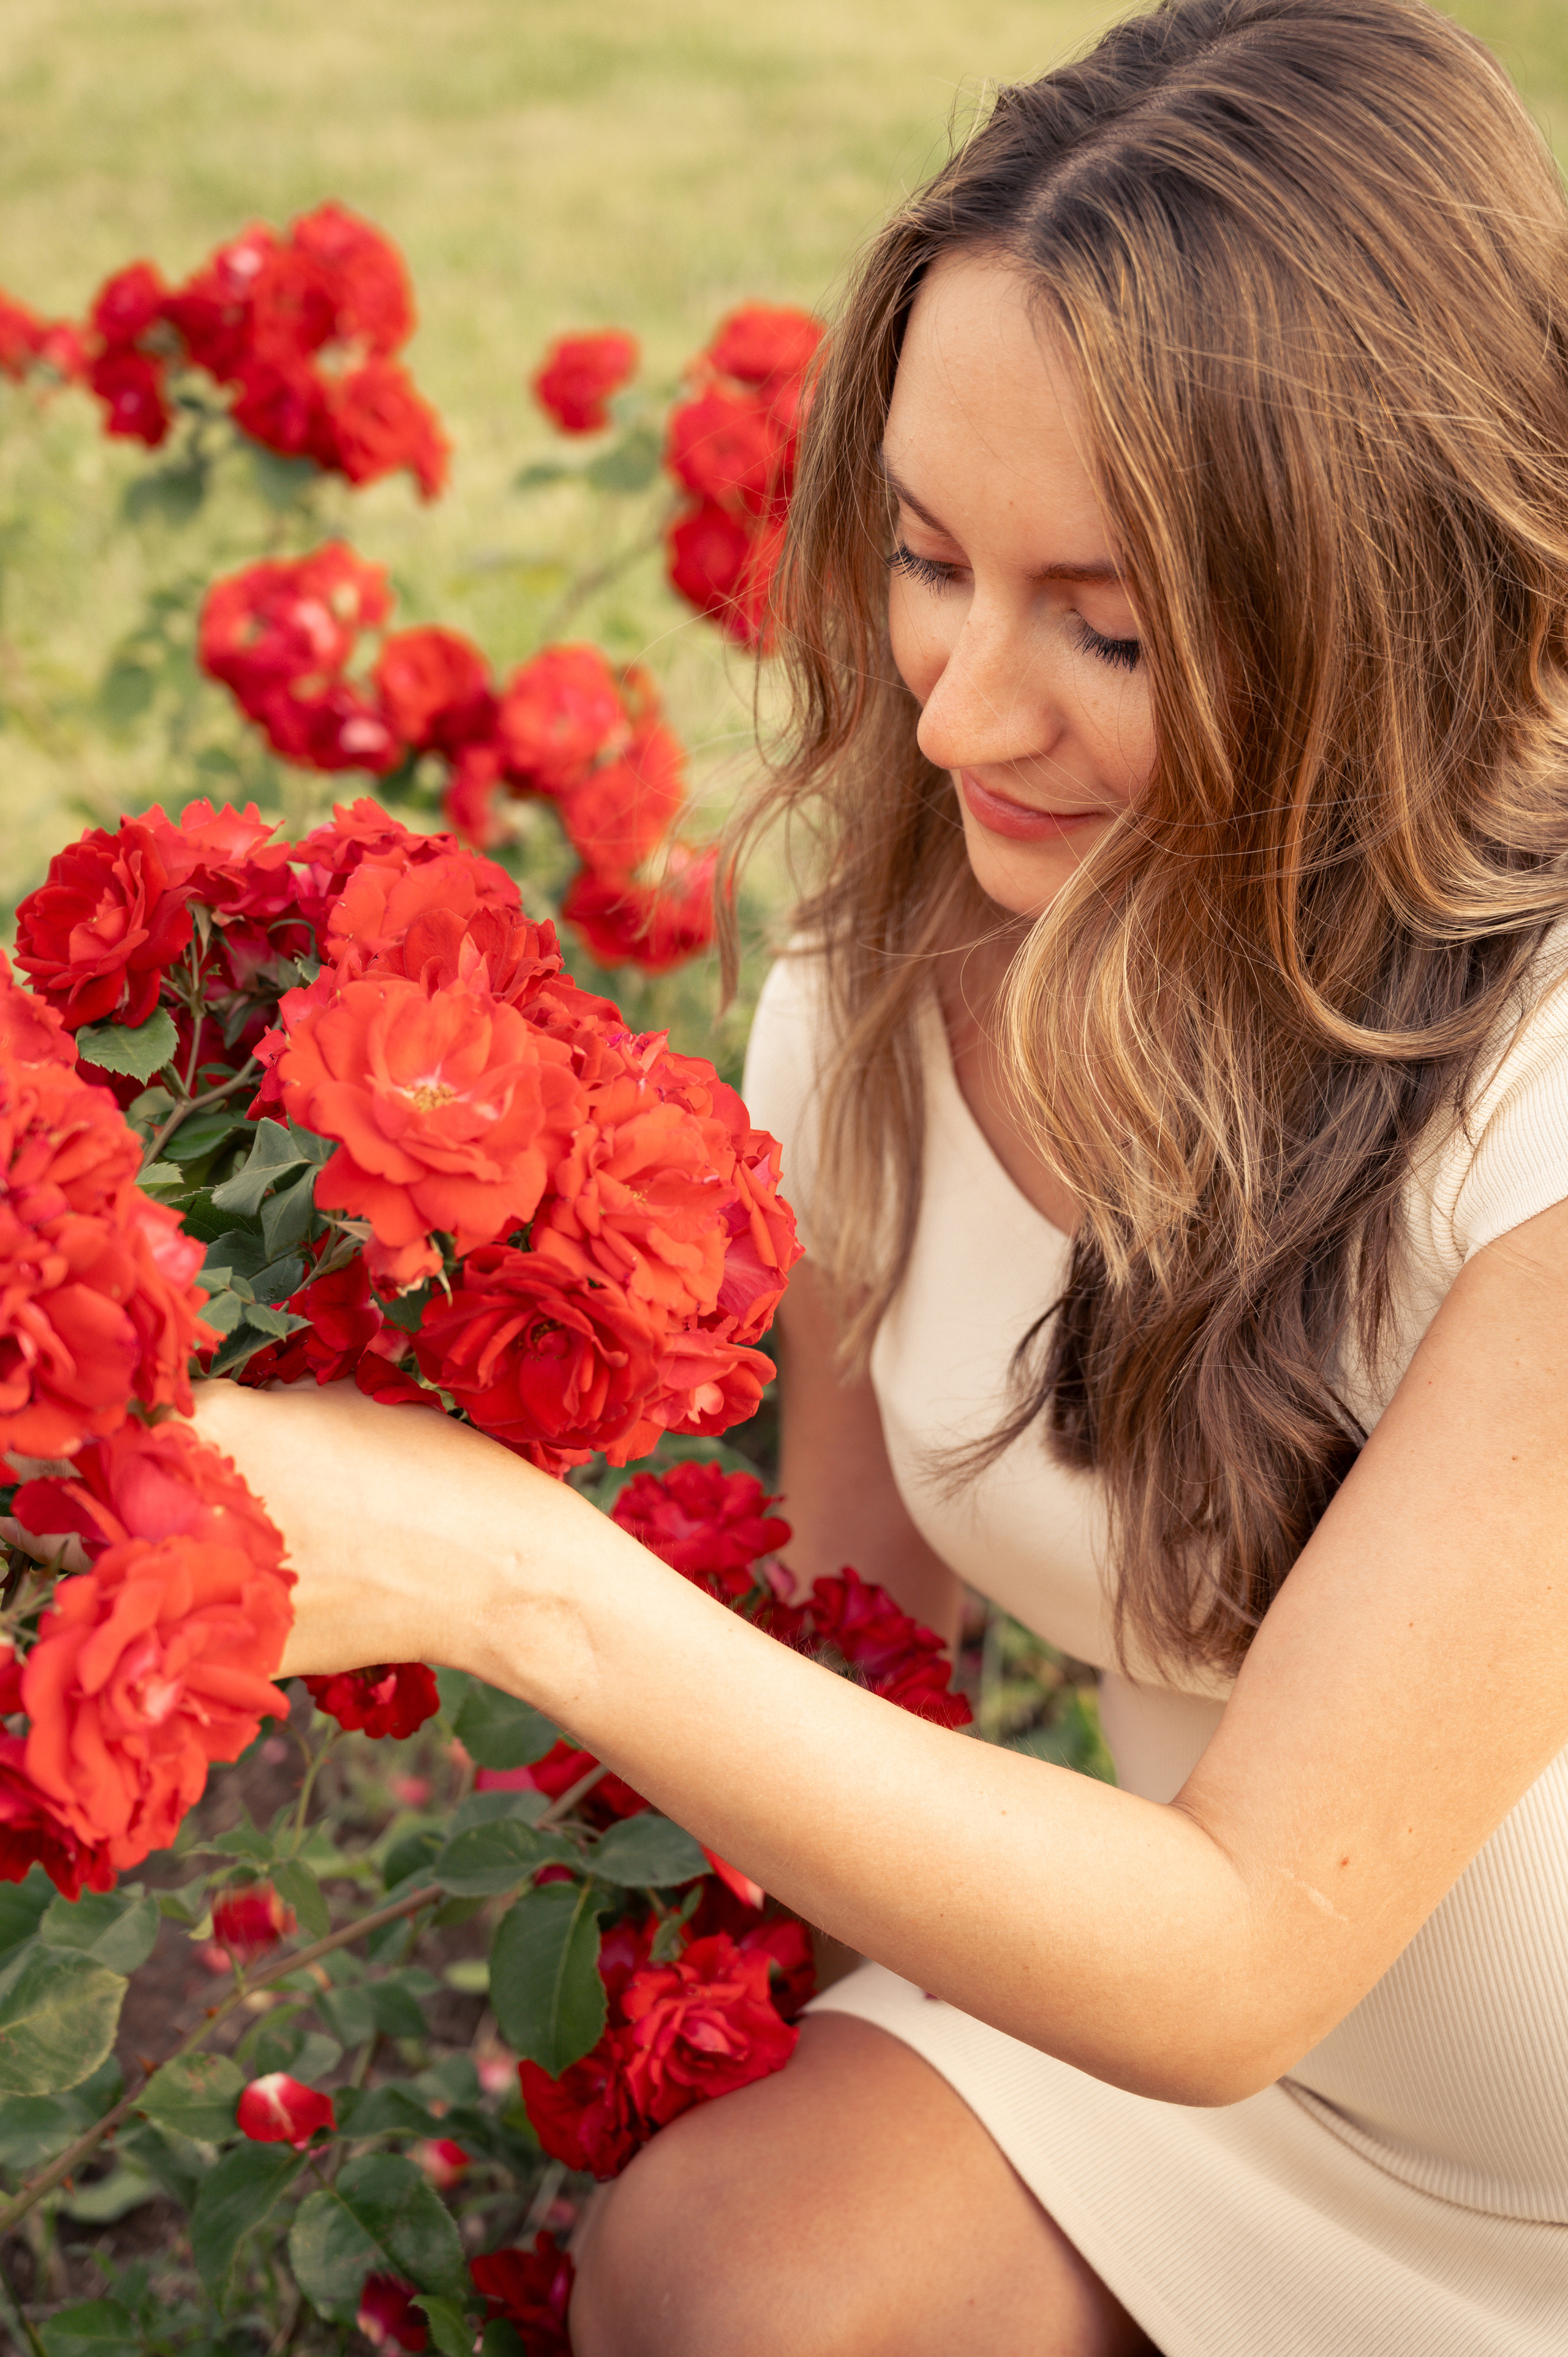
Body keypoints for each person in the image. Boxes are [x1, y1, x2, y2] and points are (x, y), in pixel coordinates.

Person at [194, 1, 1568, 2348]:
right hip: (1195, 2085)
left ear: (1400, 615)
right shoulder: (895, 983)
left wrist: (519, 1580)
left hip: (1289, 2017)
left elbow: (1241, 1946)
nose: (954, 710)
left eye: (1109, 628)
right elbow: (862, 1629)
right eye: (932, 558)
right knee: (726, 2270)